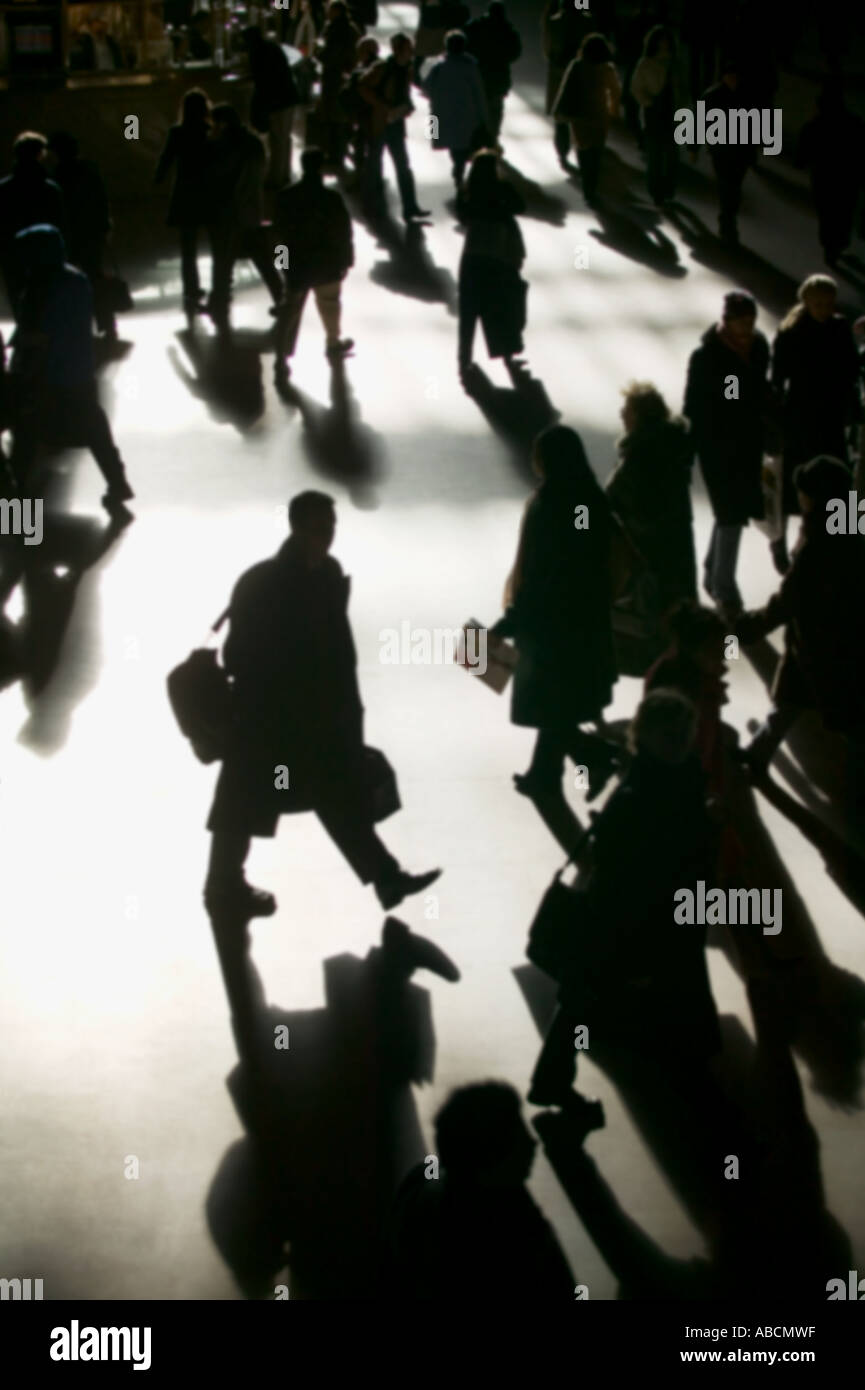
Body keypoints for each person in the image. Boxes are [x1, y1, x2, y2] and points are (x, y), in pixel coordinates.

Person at [203, 490, 441, 920]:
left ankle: (224, 886)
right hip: (276, 727)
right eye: (320, 527)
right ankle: (224, 885)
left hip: (289, 728)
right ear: (296, 527)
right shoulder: (282, 582)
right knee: (279, 795)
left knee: (262, 797)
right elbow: (242, 657)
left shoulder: (300, 577)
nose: (328, 536)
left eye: (331, 527)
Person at [528, 689, 720, 1136]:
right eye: (671, 733)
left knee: (580, 996)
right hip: (650, 912)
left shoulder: (641, 782)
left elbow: (609, 857)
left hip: (625, 913)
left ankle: (552, 1080)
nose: (678, 740)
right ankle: (684, 1058)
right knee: (602, 990)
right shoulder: (677, 781)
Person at [490, 425, 622, 856]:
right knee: (558, 702)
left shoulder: (550, 506)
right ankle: (544, 774)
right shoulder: (590, 499)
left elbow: (542, 574)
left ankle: (592, 756)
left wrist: (510, 621)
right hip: (583, 625)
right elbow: (586, 557)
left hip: (549, 628)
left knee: (549, 702)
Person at [737, 455, 865, 778]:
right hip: (835, 638)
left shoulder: (818, 545)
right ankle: (756, 754)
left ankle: (757, 755)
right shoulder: (848, 521)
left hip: (821, 645)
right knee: (792, 702)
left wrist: (748, 627)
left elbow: (789, 599)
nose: (799, 497)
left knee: (841, 715)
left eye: (804, 491)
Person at [385, 1082, 575, 1298]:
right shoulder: (517, 1235)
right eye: (520, 1134)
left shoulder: (420, 1188)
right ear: (492, 1151)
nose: (533, 1142)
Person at [8, 224, 134, 517]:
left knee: (23, 447)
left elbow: (35, 340)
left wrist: (23, 376)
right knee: (96, 431)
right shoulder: (78, 281)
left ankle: (17, 522)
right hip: (79, 372)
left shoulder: (38, 290)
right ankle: (118, 483)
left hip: (46, 379)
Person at [683, 290, 773, 615]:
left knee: (731, 511)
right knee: (731, 511)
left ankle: (712, 571)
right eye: (742, 322)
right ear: (727, 321)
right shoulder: (710, 357)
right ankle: (725, 586)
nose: (747, 329)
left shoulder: (759, 347)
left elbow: (760, 388)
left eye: (751, 322)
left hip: (747, 443)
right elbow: (699, 404)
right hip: (718, 446)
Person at [770, 275, 859, 572]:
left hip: (830, 416)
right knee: (797, 486)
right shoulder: (791, 333)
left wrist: (854, 412)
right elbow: (778, 379)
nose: (823, 309)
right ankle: (788, 542)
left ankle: (845, 540)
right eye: (818, 303)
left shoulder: (839, 328)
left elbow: (850, 374)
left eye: (828, 304)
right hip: (801, 418)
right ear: (806, 301)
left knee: (838, 479)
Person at [606, 381, 696, 617]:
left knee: (653, 607)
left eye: (627, 409)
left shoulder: (637, 456)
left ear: (639, 416)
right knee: (679, 604)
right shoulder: (675, 447)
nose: (622, 413)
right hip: (677, 541)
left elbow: (609, 499)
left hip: (647, 546)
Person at [273, 148, 355, 383]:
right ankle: (333, 343)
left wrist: (283, 265)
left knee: (289, 312)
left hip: (297, 264)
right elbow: (343, 233)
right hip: (327, 264)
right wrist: (346, 260)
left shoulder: (286, 197)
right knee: (330, 304)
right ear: (322, 168)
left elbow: (278, 235)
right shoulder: (331, 198)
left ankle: (281, 357)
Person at [205, 104, 285, 334]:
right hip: (252, 211)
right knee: (262, 259)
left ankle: (219, 303)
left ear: (222, 124)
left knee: (223, 261)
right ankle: (281, 298)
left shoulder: (223, 147)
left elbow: (218, 178)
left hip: (229, 213)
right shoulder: (254, 143)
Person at [456, 150, 527, 386]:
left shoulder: (468, 192)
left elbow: (461, 216)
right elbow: (521, 205)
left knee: (468, 312)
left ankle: (464, 360)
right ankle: (507, 355)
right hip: (497, 256)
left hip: (471, 255)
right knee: (499, 308)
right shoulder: (501, 190)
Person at [46, 132, 115, 339]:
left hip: (70, 234)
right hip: (91, 231)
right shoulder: (89, 169)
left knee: (69, 280)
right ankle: (106, 322)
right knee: (95, 275)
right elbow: (101, 199)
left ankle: (78, 324)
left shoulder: (57, 175)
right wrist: (105, 226)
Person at [358, 32, 430, 223]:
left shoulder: (407, 69)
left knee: (402, 166)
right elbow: (362, 86)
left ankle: (410, 207)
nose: (412, 52)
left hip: (395, 123)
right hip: (381, 123)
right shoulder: (382, 68)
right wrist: (381, 105)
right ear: (399, 50)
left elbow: (403, 93)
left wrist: (407, 106)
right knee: (375, 165)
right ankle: (372, 205)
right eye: (408, 49)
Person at [155, 88, 213, 321]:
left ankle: (191, 288)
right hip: (208, 192)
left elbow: (166, 158)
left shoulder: (177, 133)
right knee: (216, 242)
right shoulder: (209, 131)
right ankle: (220, 285)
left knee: (187, 248)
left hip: (185, 193)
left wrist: (157, 178)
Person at [795, 86, 865, 270]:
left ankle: (829, 248)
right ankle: (840, 243)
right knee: (844, 212)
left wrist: (801, 163)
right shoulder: (855, 123)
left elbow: (802, 154)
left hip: (823, 178)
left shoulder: (813, 126)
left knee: (827, 213)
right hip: (849, 178)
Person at [552, 32, 621, 207]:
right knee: (596, 153)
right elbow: (615, 91)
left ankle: (586, 187)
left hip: (579, 115)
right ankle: (591, 187)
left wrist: (559, 111)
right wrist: (613, 111)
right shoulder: (607, 68)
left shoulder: (577, 65)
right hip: (599, 115)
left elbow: (565, 88)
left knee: (583, 150)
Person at [0, 132, 65, 319]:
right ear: (40, 155)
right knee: (48, 299)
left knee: (19, 297)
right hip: (47, 253)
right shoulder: (50, 189)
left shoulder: (4, 190)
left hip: (14, 255)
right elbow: (61, 225)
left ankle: (26, 334)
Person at [424, 30, 489, 194]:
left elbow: (426, 87)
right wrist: (484, 118)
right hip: (466, 115)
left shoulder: (438, 66)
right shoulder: (470, 67)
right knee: (464, 144)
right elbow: (478, 94)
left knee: (452, 144)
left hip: (443, 114)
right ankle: (459, 170)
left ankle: (457, 169)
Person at [702, 58, 753, 245]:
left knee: (735, 186)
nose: (732, 80)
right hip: (721, 151)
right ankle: (727, 218)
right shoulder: (712, 96)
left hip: (741, 151)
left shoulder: (747, 95)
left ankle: (729, 214)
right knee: (726, 185)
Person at [242, 24, 298, 189]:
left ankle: (276, 179)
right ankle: (285, 174)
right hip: (289, 97)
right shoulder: (272, 48)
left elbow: (262, 84)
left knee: (277, 141)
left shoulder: (257, 54)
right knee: (285, 139)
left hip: (277, 101)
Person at [630, 24, 681, 206]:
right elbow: (636, 88)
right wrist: (648, 102)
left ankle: (668, 188)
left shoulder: (675, 63)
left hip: (673, 113)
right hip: (654, 114)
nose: (664, 46)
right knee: (655, 156)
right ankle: (656, 192)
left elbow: (683, 88)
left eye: (666, 42)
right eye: (661, 42)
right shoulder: (646, 64)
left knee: (673, 156)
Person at [465, 2, 522, 146]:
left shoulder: (476, 26)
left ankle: (478, 138)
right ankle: (492, 138)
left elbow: (466, 45)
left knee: (478, 108)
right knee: (495, 111)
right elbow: (515, 52)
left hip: (479, 75)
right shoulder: (507, 29)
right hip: (499, 77)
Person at [542, 1, 590, 168]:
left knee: (561, 118)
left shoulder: (554, 23)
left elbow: (548, 49)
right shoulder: (586, 22)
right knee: (580, 116)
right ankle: (583, 152)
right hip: (582, 74)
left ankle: (562, 152)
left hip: (558, 72)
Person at [316, 1, 363, 168]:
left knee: (335, 118)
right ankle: (344, 152)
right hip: (344, 76)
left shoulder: (337, 30)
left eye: (330, 10)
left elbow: (331, 54)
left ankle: (336, 155)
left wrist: (319, 54)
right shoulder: (350, 29)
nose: (327, 13)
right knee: (342, 118)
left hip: (334, 77)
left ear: (337, 12)